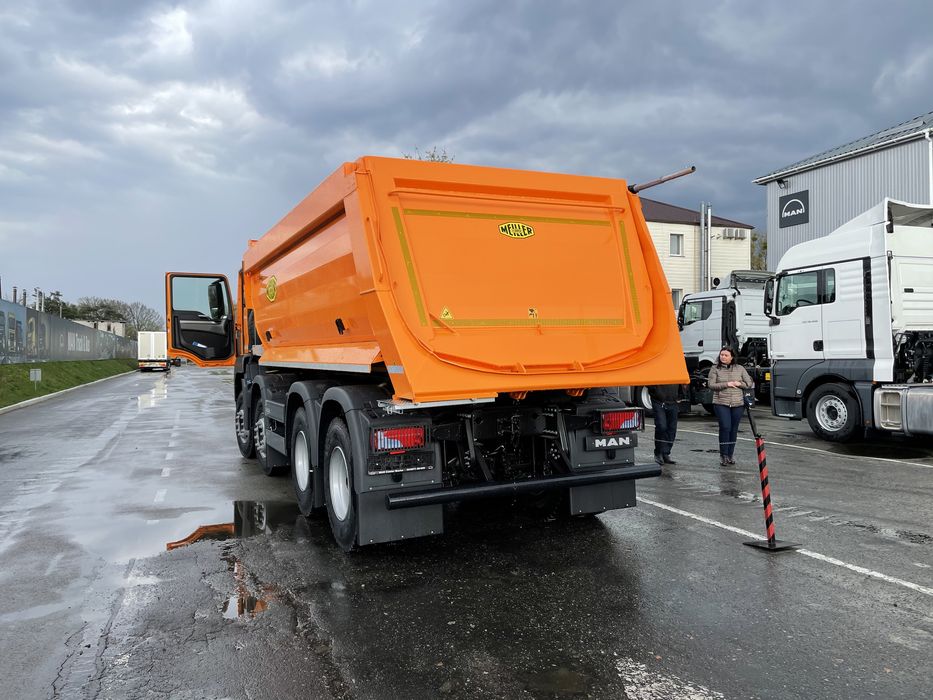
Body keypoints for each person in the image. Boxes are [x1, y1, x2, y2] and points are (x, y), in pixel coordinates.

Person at [707, 346, 753, 466]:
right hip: (721, 402)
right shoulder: (715, 368)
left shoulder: (740, 368)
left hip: (738, 403)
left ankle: (730, 455)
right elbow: (711, 385)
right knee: (725, 427)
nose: (723, 357)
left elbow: (749, 383)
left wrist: (739, 383)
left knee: (733, 429)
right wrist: (726, 384)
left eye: (726, 355)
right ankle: (723, 455)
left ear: (732, 357)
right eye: (721, 355)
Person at [648, 383, 686, 465]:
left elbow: (681, 379)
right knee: (661, 426)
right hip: (658, 401)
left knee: (671, 429)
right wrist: (656, 392)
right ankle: (658, 452)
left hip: (672, 401)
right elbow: (647, 380)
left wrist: (680, 394)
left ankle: (665, 453)